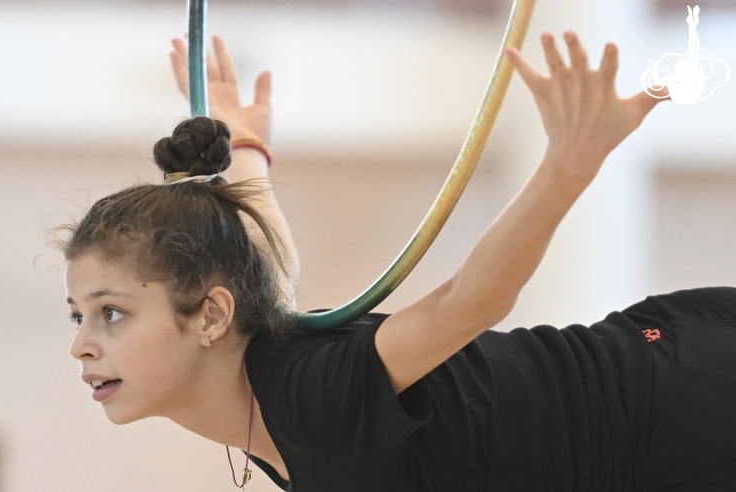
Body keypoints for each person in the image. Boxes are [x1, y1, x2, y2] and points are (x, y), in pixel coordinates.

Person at [63, 30, 736, 492]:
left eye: (111, 313)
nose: (81, 346)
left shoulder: (309, 398)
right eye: (80, 315)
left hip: (688, 410)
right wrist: (244, 145)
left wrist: (569, 166)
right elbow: (264, 258)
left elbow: (470, 302)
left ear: (210, 316)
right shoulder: (267, 371)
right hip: (667, 369)